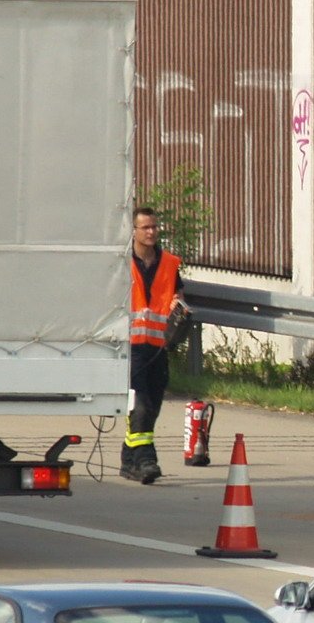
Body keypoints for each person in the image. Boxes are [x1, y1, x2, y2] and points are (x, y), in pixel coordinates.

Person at [122, 206, 184, 484]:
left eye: (154, 227)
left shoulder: (169, 263)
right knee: (141, 405)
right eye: (145, 227)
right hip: (129, 346)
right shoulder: (121, 261)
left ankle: (128, 458)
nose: (151, 232)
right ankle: (146, 459)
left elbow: (177, 294)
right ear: (133, 231)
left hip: (158, 347)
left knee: (153, 406)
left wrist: (177, 306)